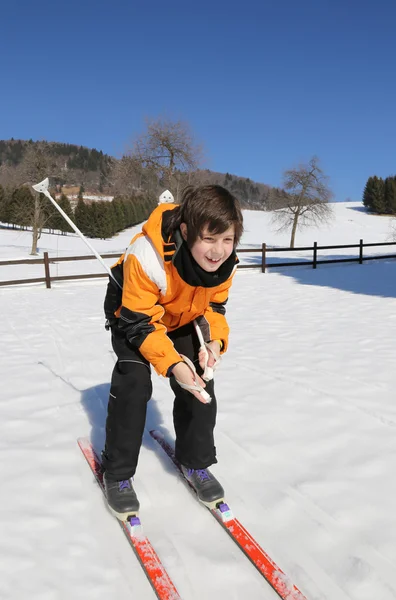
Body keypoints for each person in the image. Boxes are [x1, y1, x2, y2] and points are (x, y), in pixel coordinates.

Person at [102, 185, 243, 521]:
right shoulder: (145, 254)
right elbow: (141, 325)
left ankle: (197, 463)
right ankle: (118, 473)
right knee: (135, 383)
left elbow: (215, 307)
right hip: (133, 314)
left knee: (200, 381)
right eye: (209, 239)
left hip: (183, 314)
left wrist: (213, 344)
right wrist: (172, 364)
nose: (218, 251)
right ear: (185, 231)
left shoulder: (227, 262)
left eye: (227, 239)